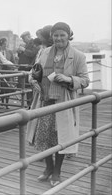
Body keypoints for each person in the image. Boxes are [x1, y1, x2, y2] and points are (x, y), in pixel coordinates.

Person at [27, 22, 89, 187]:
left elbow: (85, 80)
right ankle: (48, 168)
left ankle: (57, 171)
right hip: (44, 101)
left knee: (61, 137)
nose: (59, 38)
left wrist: (69, 79)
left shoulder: (78, 56)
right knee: (44, 137)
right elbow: (33, 72)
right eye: (56, 35)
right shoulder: (44, 52)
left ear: (69, 35)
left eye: (62, 35)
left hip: (64, 103)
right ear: (51, 36)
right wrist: (33, 80)